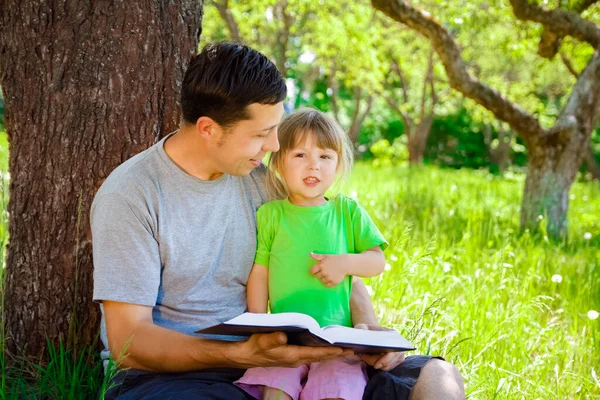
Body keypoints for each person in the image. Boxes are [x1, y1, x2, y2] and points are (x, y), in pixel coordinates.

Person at [91, 42, 465, 400]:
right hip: (176, 377)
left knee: (437, 378)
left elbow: (327, 260)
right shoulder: (132, 194)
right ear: (208, 129)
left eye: (276, 129)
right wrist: (241, 355)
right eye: (261, 134)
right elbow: (130, 342)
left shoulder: (265, 182)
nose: (274, 147)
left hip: (286, 360)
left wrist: (365, 332)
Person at [234, 109, 387, 400]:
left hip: (338, 342)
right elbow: (261, 271)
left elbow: (377, 260)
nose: (313, 166)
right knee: (275, 387)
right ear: (278, 163)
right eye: (300, 155)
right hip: (286, 338)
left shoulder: (347, 211)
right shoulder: (271, 214)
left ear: (338, 164)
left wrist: (345, 263)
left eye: (325, 157)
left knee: (337, 388)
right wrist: (257, 323)